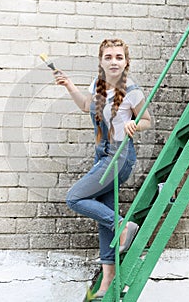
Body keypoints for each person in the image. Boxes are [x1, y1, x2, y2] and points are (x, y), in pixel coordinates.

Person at [54, 38, 151, 298]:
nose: (114, 61)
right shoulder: (97, 86)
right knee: (103, 219)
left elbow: (148, 121)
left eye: (119, 57)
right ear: (101, 61)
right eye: (108, 57)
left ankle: (123, 226)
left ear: (126, 61)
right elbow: (86, 105)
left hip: (119, 157)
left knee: (74, 197)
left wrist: (135, 125)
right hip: (102, 156)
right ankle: (107, 283)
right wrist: (69, 86)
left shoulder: (133, 89)